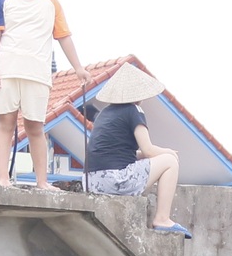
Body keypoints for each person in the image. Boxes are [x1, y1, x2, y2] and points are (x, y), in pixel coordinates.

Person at [0, 0, 88, 189]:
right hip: (7, 71)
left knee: (35, 126)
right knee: (5, 124)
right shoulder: (2, 1)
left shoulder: (50, 3)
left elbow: (64, 37)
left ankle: (42, 181)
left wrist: (78, 68)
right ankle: (3, 177)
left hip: (38, 73)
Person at [81, 64, 190, 236]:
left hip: (91, 182)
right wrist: (168, 152)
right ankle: (162, 219)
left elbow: (124, 152)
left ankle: (162, 218)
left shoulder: (105, 113)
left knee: (163, 158)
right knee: (170, 162)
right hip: (114, 180)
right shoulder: (134, 110)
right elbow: (148, 150)